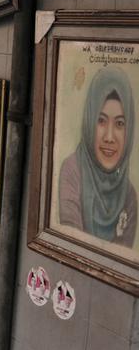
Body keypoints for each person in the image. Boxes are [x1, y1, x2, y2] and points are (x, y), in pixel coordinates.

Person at [58, 67, 138, 246]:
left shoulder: (129, 196)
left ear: (129, 130)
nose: (109, 137)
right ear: (89, 122)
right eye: (101, 121)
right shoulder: (72, 172)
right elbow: (71, 247)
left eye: (119, 123)